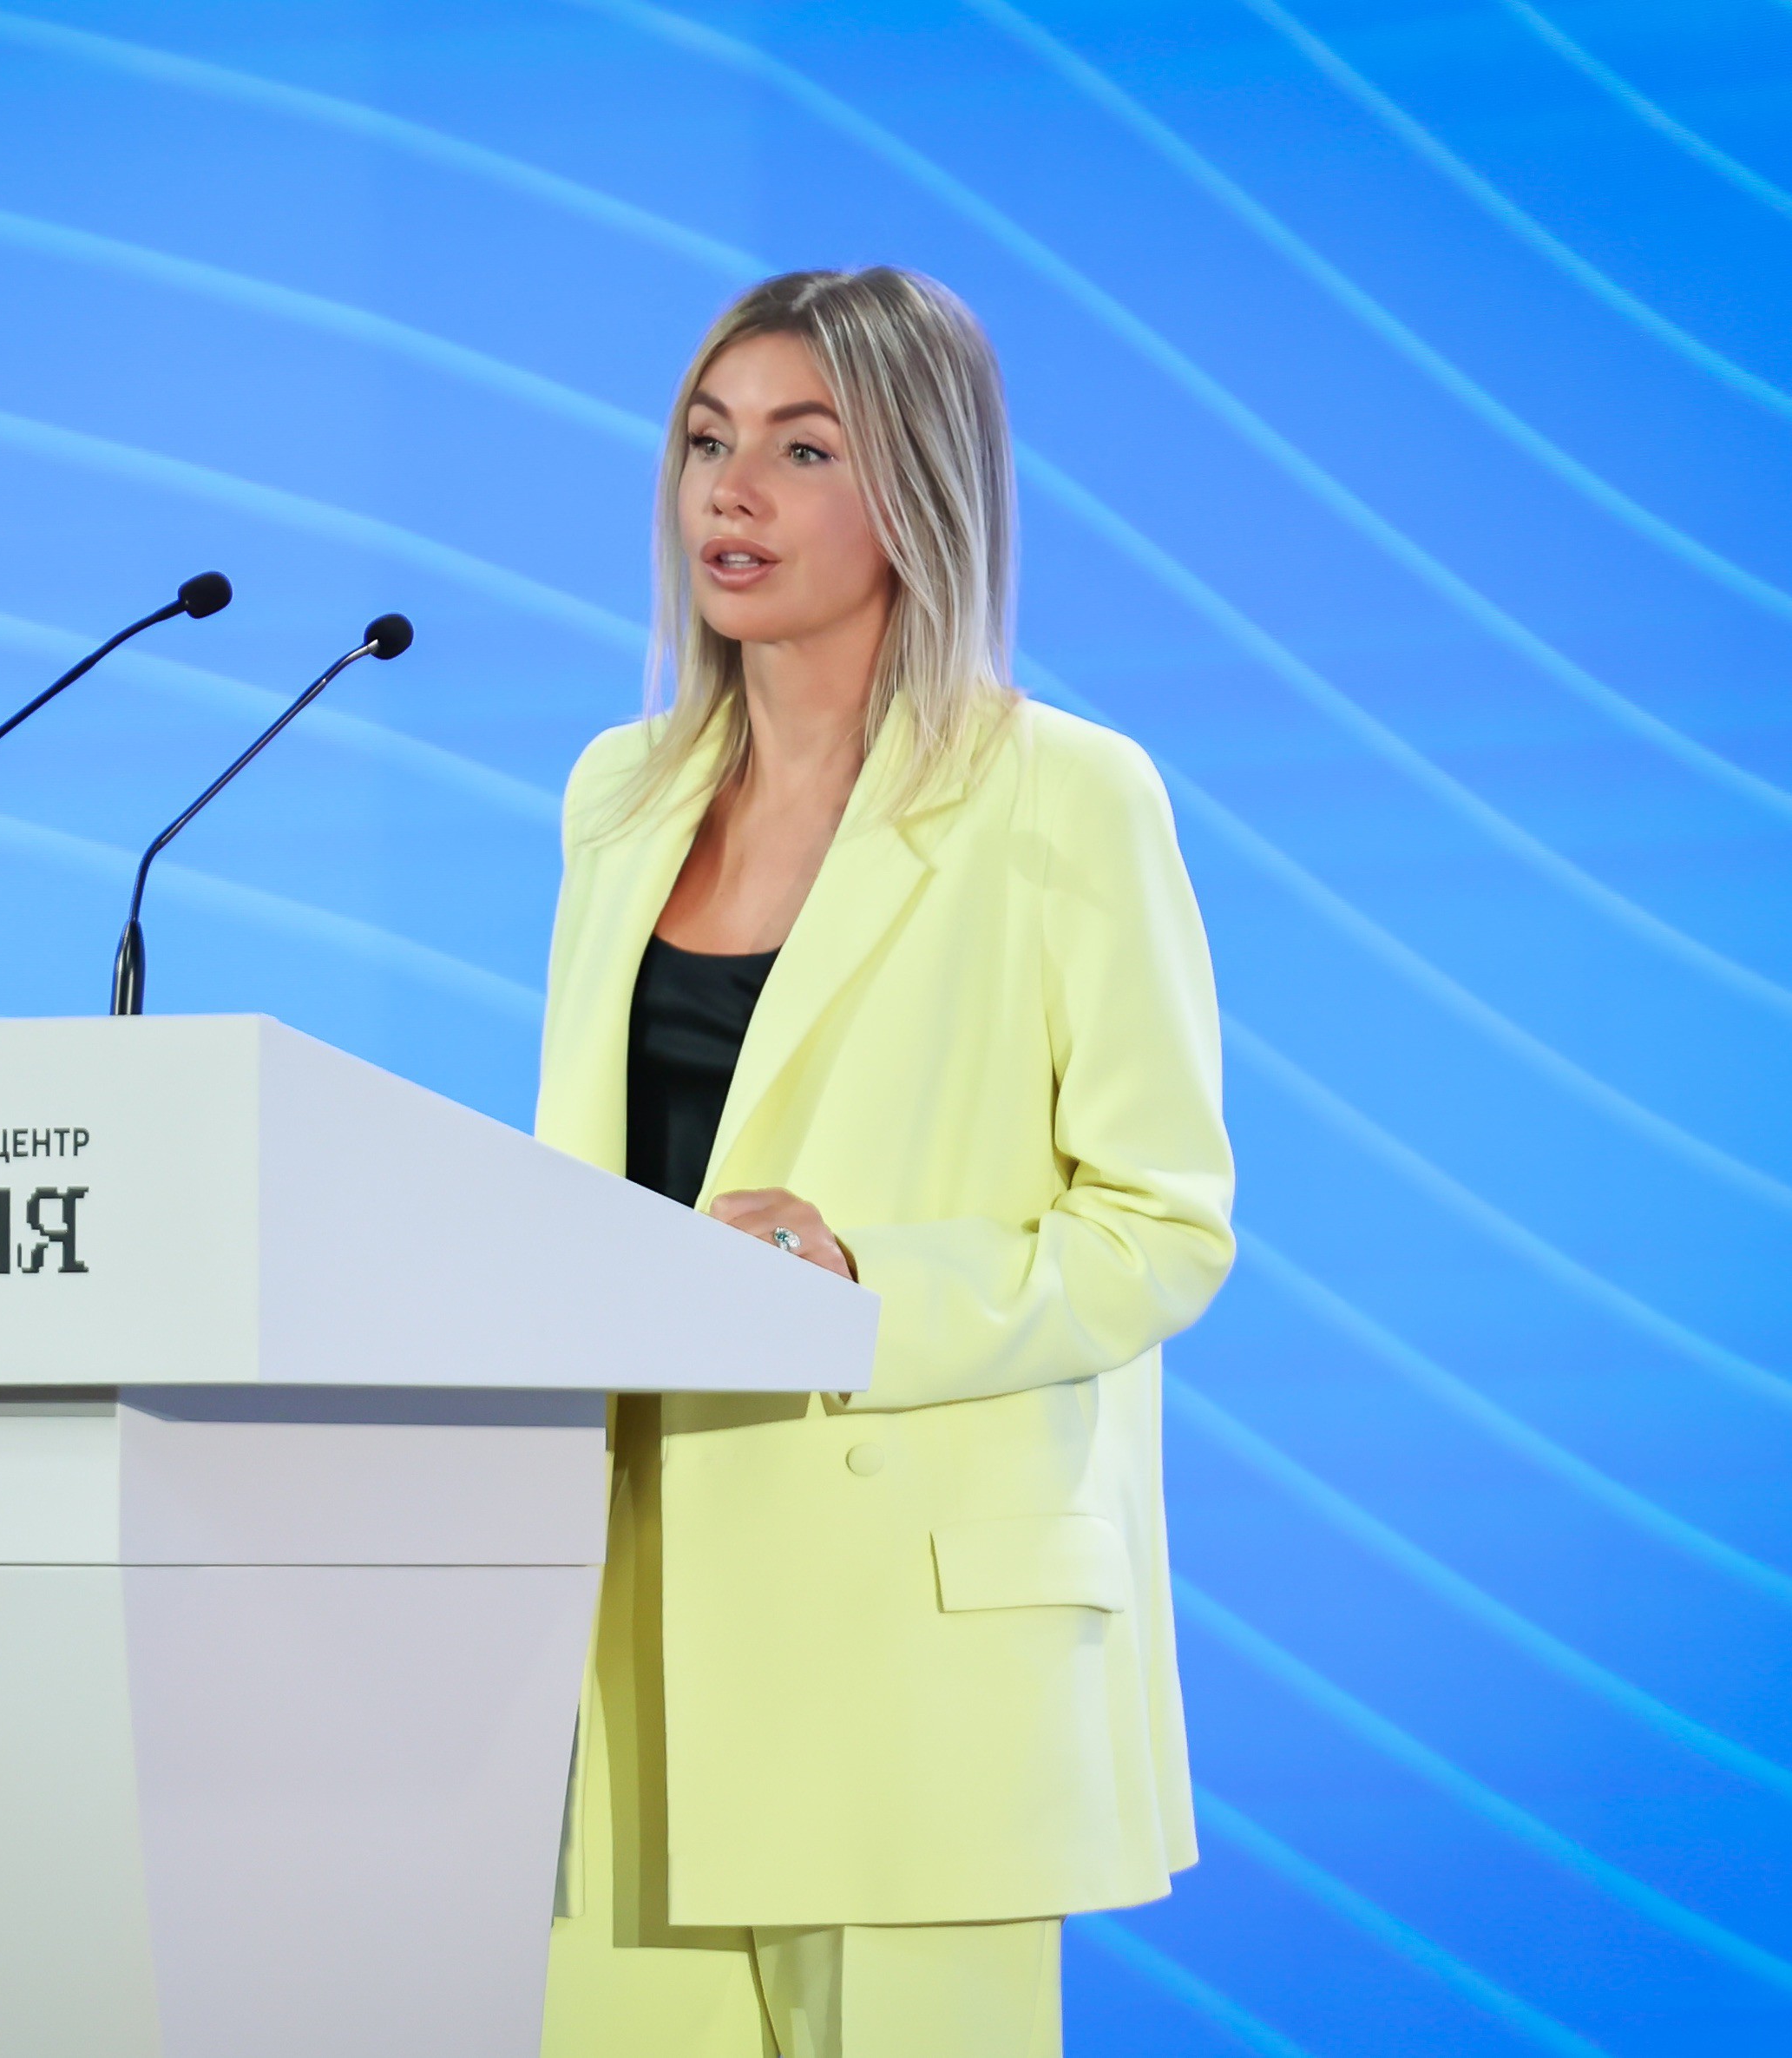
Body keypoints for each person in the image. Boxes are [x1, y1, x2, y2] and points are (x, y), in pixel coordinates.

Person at [534, 267, 1237, 2058]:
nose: (730, 492)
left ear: (919, 485)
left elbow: (1160, 1229)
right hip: (626, 1627)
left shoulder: (1066, 796)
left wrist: (865, 1284)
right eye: (706, 442)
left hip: (909, 1645)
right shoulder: (619, 795)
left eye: (801, 448)